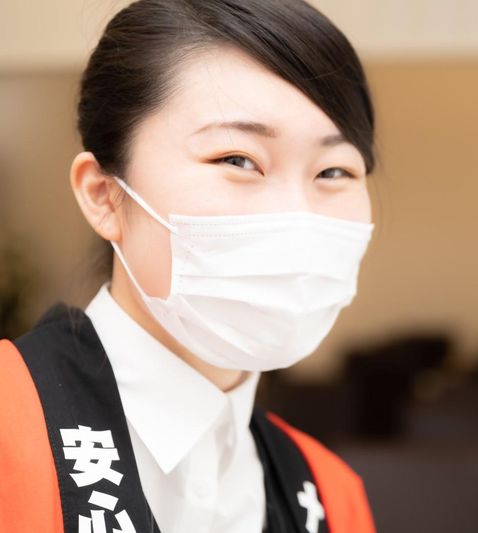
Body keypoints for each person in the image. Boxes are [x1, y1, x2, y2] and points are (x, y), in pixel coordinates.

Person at [0, 1, 378, 532]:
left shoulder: (333, 496)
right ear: (104, 195)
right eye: (237, 159)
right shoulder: (10, 420)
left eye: (334, 171)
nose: (296, 215)